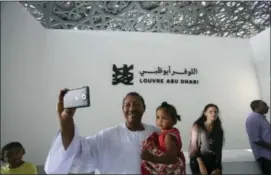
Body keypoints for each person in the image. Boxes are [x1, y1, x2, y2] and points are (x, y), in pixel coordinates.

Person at [44, 90, 160, 174]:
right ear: (122, 109)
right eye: (127, 105)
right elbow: (77, 152)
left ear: (143, 108)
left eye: (136, 104)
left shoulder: (157, 134)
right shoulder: (107, 136)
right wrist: (66, 120)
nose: (131, 108)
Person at [141, 101, 186, 175]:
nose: (160, 121)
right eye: (158, 117)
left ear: (173, 121)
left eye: (164, 118)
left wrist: (152, 158)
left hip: (170, 167)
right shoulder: (165, 133)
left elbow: (172, 158)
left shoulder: (168, 136)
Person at [189, 104, 224, 175]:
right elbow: (194, 147)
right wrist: (201, 164)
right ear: (205, 113)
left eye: (215, 112)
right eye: (210, 112)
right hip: (198, 159)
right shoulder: (197, 126)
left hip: (212, 160)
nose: (213, 113)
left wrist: (217, 167)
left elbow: (218, 149)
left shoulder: (218, 129)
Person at [246, 100, 271, 174]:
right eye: (265, 105)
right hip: (263, 156)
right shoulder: (252, 119)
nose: (268, 107)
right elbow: (256, 139)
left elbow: (266, 132)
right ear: (257, 107)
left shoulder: (261, 117)